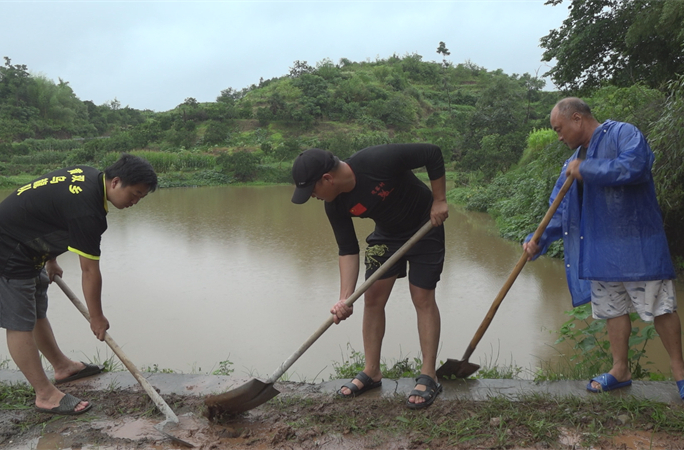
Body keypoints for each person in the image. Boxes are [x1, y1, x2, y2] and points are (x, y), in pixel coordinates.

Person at [523, 97, 684, 399]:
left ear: (577, 119)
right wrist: (538, 240)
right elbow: (560, 211)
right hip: (599, 249)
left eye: (559, 129)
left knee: (661, 307)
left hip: (637, 244)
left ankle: (680, 374)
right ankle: (620, 369)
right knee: (613, 310)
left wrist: (587, 169)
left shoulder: (623, 133)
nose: (558, 137)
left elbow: (635, 166)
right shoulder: (571, 164)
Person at [291, 143, 448, 409]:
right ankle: (372, 372)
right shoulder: (335, 204)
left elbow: (432, 153)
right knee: (372, 298)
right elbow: (348, 249)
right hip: (387, 235)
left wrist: (440, 200)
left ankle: (429, 375)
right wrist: (344, 298)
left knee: (422, 297)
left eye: (313, 190)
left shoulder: (377, 160)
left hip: (425, 225)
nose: (313, 196)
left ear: (327, 179)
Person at [0, 153, 158, 415]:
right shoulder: (89, 210)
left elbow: (50, 211)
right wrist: (96, 317)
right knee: (19, 322)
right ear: (116, 182)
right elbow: (89, 271)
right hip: (8, 249)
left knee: (36, 308)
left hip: (26, 245)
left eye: (141, 197)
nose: (135, 201)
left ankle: (62, 367)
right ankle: (45, 394)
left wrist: (51, 259)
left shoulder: (89, 175)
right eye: (135, 194)